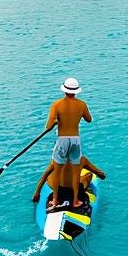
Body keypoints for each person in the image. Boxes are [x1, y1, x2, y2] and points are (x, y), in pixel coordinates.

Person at [45, 77, 91, 209]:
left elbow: (48, 127)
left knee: (57, 170)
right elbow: (89, 119)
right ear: (76, 91)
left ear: (64, 90)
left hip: (62, 140)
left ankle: (55, 200)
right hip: (75, 140)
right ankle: (76, 201)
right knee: (76, 171)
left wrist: (55, 122)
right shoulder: (82, 104)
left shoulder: (56, 104)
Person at [32, 155, 105, 210]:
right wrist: (100, 173)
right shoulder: (82, 159)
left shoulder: (56, 160)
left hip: (59, 192)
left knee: (48, 176)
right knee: (89, 175)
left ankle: (56, 201)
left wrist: (37, 193)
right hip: (76, 192)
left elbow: (43, 177)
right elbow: (102, 176)